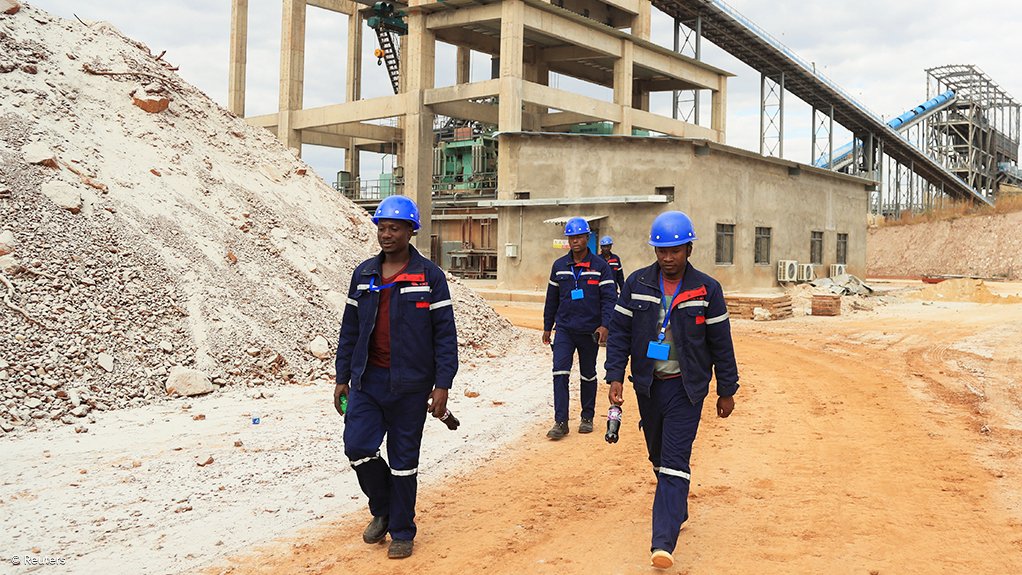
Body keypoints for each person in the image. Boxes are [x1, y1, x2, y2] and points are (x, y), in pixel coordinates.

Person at [604, 211, 739, 570]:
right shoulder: (636, 284)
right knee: (658, 458)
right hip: (648, 387)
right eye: (662, 251)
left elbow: (721, 344)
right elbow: (618, 333)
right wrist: (615, 374)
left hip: (687, 389)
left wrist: (727, 389)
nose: (668, 258)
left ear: (689, 249)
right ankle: (677, 504)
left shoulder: (707, 289)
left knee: (675, 460)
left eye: (675, 251)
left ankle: (662, 542)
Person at [333, 195, 458, 560]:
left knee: (404, 461)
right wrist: (343, 375)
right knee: (357, 447)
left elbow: (445, 335)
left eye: (394, 228)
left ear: (410, 231)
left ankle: (402, 530)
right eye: (382, 228)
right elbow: (350, 329)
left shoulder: (429, 277)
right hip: (368, 381)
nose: (386, 235)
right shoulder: (365, 274)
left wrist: (442, 384)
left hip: (411, 385)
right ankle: (384, 508)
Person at [542, 217, 617, 439]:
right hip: (564, 329)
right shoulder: (559, 267)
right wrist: (548, 327)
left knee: (588, 374)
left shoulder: (600, 267)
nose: (575, 241)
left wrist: (605, 325)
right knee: (560, 372)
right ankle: (561, 422)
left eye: (579, 237)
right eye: (571, 237)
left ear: (587, 237)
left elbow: (609, 299)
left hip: (589, 331)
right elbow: (551, 299)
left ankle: (587, 417)